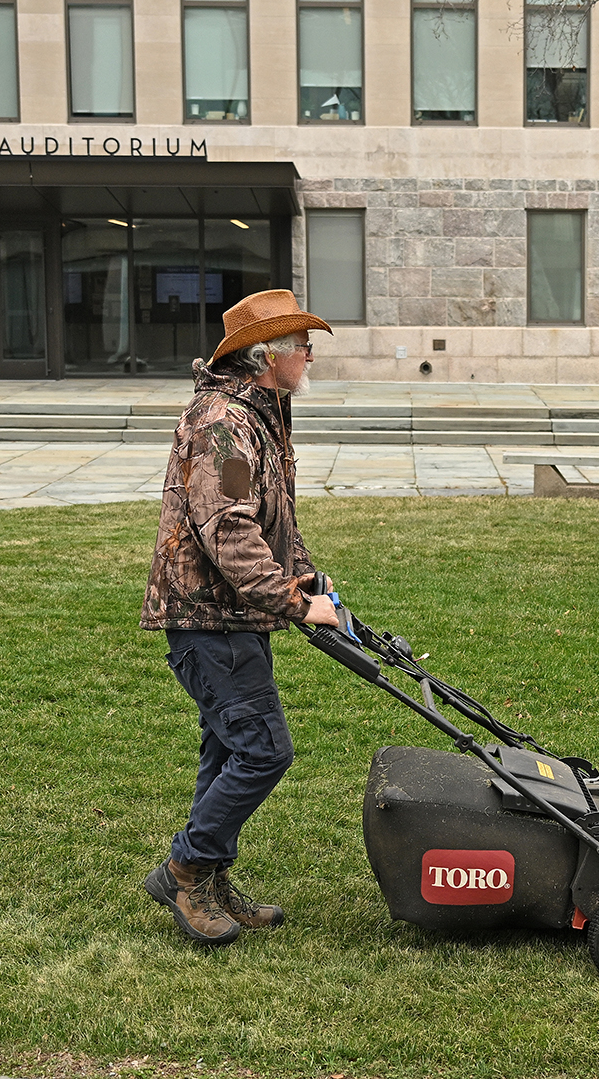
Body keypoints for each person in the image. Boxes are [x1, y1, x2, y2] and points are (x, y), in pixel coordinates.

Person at [141, 288, 340, 946]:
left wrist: (306, 575)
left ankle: (212, 878)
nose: (310, 355)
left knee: (227, 751)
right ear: (265, 355)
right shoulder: (223, 423)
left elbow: (271, 517)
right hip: (209, 620)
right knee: (263, 751)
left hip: (233, 618)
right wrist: (290, 601)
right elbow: (226, 529)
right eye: (300, 345)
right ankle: (185, 869)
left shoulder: (261, 416)